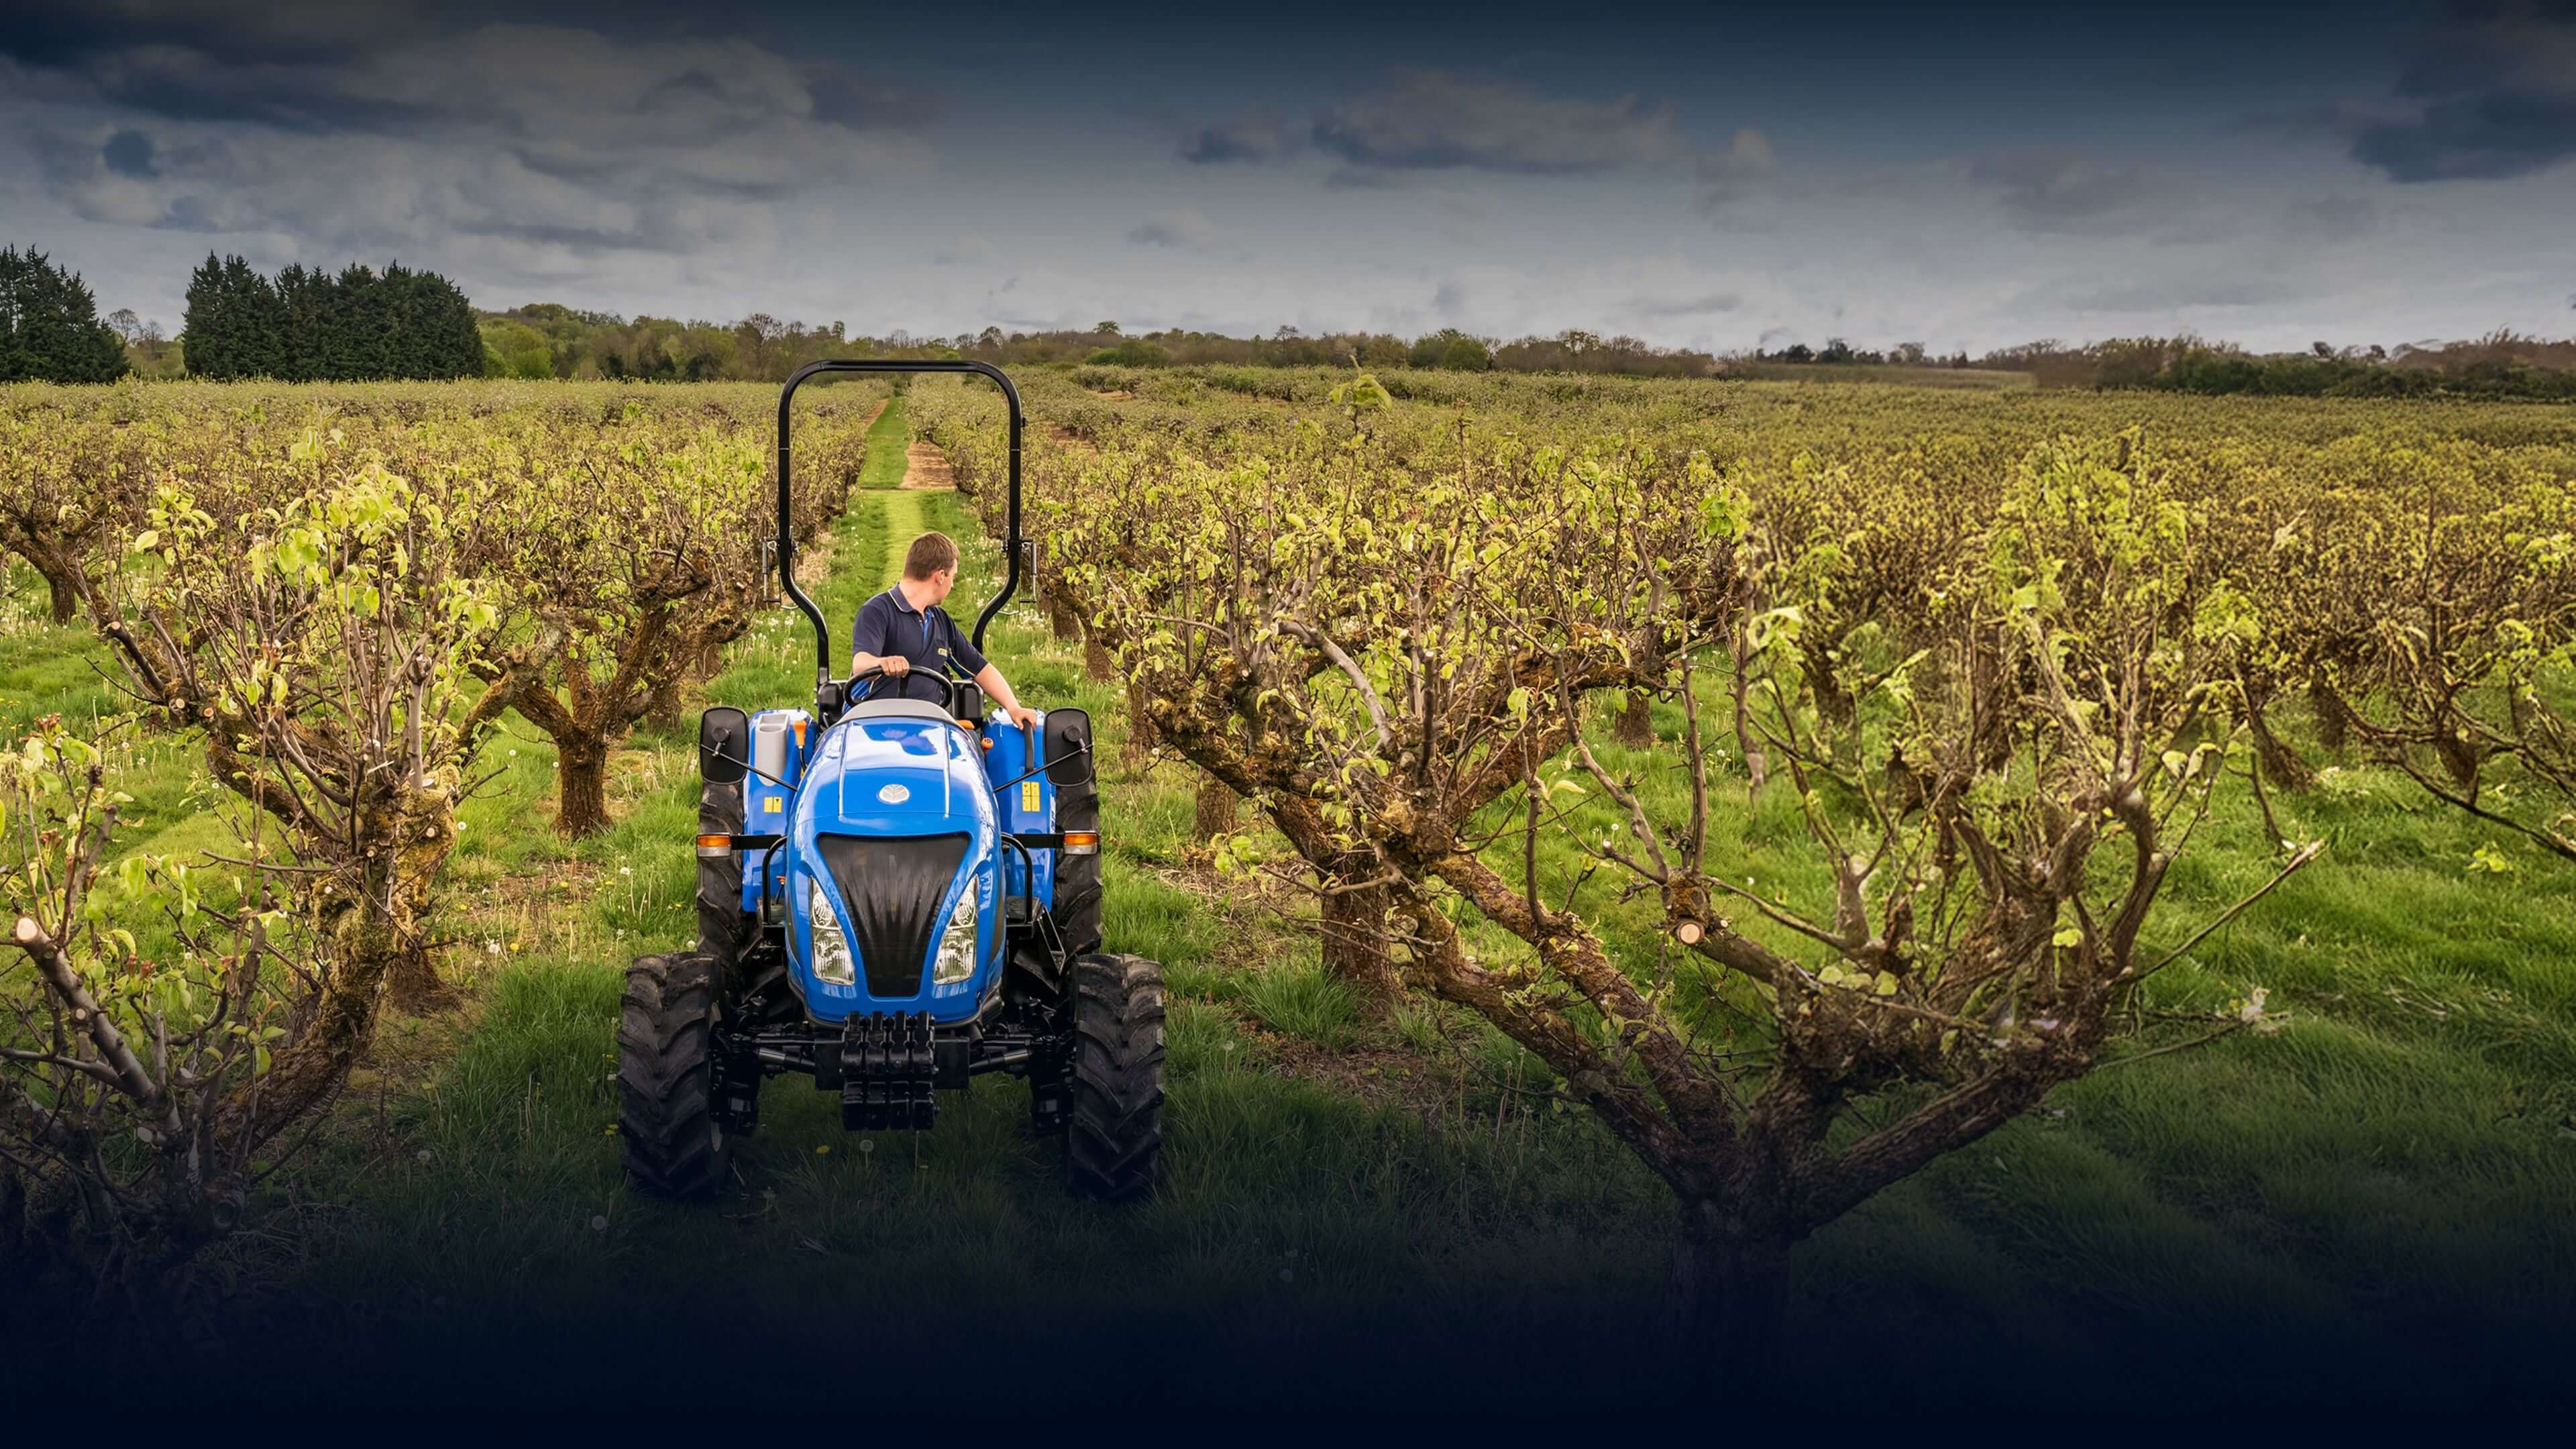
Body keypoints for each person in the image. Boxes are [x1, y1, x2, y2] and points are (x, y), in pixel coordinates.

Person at [849, 531, 1039, 729]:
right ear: (940, 576)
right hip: (872, 724)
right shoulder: (877, 611)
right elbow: (861, 665)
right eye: (953, 577)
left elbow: (980, 669)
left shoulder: (940, 621)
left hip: (928, 728)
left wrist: (1014, 707)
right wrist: (882, 663)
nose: (953, 585)